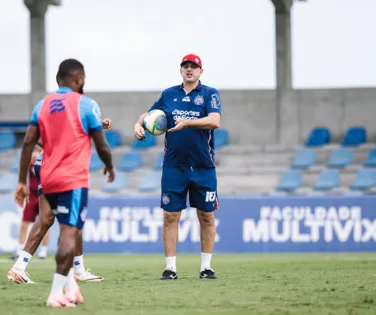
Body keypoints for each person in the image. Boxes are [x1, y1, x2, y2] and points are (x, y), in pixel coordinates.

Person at [13, 59, 115, 308]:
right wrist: (110, 165)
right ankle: (56, 293)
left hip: (46, 174)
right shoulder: (86, 104)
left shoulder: (43, 104)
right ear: (78, 80)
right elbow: (100, 144)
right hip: (72, 178)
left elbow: (28, 142)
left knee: (48, 221)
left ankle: (70, 284)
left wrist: (21, 182)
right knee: (70, 231)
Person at [133, 54, 222, 280]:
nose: (189, 70)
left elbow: (215, 121)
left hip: (203, 165)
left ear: (201, 71)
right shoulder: (169, 94)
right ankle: (170, 268)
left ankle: (206, 267)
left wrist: (188, 123)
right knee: (170, 216)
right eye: (186, 67)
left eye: (194, 67)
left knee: (207, 216)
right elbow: (149, 114)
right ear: (181, 70)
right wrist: (138, 123)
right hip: (174, 166)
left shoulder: (210, 94)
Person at [8, 118, 112, 284]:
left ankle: (19, 268)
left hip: (44, 163)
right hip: (59, 165)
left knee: (45, 219)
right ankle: (77, 272)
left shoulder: (62, 112)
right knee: (72, 219)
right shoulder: (74, 109)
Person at [11, 143, 50, 261]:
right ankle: (20, 249)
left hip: (45, 194)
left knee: (45, 223)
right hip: (32, 195)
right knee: (24, 223)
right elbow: (25, 170)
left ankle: (43, 251)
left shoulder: (50, 155)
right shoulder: (32, 157)